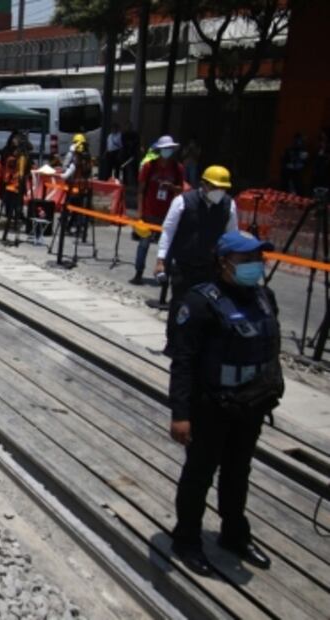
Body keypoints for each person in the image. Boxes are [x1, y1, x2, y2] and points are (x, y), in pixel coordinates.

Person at [168, 230, 283, 576]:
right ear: (224, 262)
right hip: (211, 406)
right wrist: (181, 415)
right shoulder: (200, 302)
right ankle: (186, 538)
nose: (255, 266)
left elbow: (269, 350)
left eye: (258, 259)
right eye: (247, 260)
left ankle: (234, 534)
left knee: (238, 472)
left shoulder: (265, 297)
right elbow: (183, 362)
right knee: (199, 475)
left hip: (251, 406)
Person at [155, 165, 240, 354]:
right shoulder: (182, 202)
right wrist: (160, 260)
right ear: (204, 185)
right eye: (216, 187)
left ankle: (196, 346)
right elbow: (168, 231)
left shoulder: (229, 206)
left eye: (223, 188)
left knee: (205, 308)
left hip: (210, 266)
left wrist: (231, 266)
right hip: (183, 265)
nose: (220, 192)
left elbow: (231, 238)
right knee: (180, 305)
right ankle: (174, 345)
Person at [132, 135, 185, 285]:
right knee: (144, 243)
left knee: (166, 245)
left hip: (167, 213)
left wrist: (171, 187)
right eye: (164, 149)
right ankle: (138, 271)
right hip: (149, 211)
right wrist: (139, 212)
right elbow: (141, 190)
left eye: (169, 149)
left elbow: (181, 189)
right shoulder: (149, 166)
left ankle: (162, 273)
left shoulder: (177, 168)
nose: (166, 151)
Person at [62, 133, 94, 238]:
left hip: (76, 187)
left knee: (74, 209)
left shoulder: (77, 158)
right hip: (80, 187)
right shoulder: (84, 157)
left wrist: (71, 153)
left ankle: (71, 226)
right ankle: (71, 226)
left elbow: (65, 170)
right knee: (76, 209)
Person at [0, 134, 30, 243]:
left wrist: (19, 184)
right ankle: (8, 231)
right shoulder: (19, 156)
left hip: (16, 186)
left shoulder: (22, 158)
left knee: (15, 208)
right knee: (10, 207)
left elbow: (21, 173)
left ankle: (13, 232)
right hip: (13, 184)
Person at [312, 128, 329, 194]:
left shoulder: (327, 147)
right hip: (317, 169)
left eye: (324, 136)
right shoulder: (319, 146)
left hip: (325, 171)